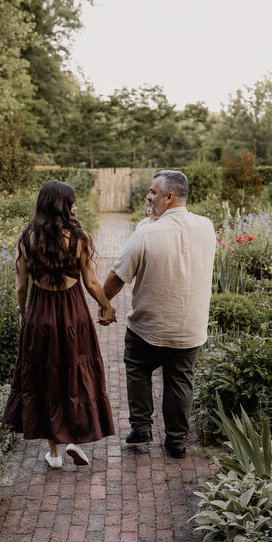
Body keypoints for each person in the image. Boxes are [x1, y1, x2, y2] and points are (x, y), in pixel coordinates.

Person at [99, 170, 215, 459]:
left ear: (169, 197)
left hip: (149, 328)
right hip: (191, 328)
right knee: (180, 382)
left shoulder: (146, 232)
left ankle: (141, 426)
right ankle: (176, 442)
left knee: (137, 367)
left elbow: (117, 277)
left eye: (152, 192)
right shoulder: (206, 226)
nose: (148, 197)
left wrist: (104, 305)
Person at [2, 180, 116, 468]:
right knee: (76, 374)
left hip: (40, 315)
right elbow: (90, 282)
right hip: (73, 315)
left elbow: (20, 285)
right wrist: (107, 306)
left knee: (45, 378)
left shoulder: (28, 239)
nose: (75, 205)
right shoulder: (79, 238)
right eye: (72, 201)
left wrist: (23, 315)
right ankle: (74, 439)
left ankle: (54, 453)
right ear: (63, 205)